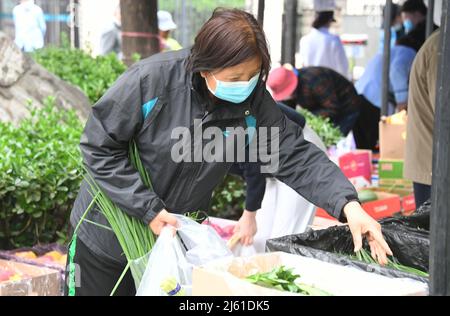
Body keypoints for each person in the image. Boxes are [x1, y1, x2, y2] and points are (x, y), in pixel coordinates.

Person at [66, 8, 392, 296]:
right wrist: (147, 209)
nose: (246, 85)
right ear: (204, 68)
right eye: (235, 77)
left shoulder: (253, 104)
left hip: (168, 244)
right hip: (106, 239)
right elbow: (99, 146)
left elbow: (294, 155)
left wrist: (348, 205)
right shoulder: (151, 81)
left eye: (253, 76)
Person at [354, 23, 426, 149]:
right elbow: (396, 70)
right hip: (373, 102)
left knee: (364, 150)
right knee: (374, 148)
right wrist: (402, 101)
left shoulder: (392, 50)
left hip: (361, 97)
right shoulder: (408, 52)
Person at [267, 65, 361, 137]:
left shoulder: (315, 81)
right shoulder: (292, 90)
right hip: (323, 106)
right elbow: (287, 112)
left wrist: (305, 118)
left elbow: (332, 109)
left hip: (346, 107)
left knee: (335, 139)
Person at [299, 6, 349, 78]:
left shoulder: (304, 40)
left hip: (310, 81)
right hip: (329, 83)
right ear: (328, 21)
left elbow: (302, 64)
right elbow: (343, 67)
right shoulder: (333, 40)